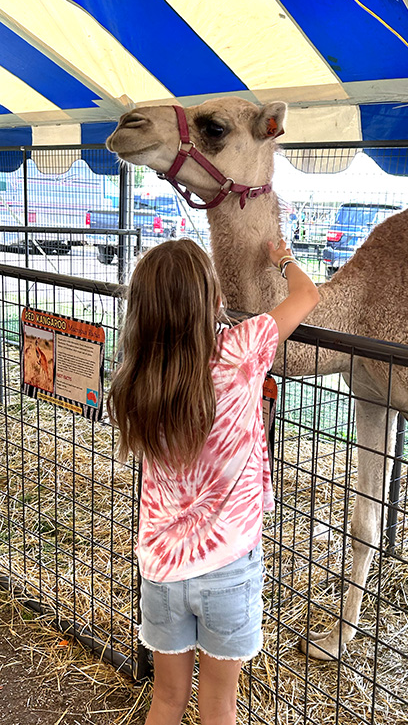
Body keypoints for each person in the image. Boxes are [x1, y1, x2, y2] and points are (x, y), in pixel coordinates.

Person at [107, 238, 319, 725]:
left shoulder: (137, 377)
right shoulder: (241, 351)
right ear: (211, 300)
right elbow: (307, 295)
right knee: (219, 707)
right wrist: (281, 258)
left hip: (161, 567)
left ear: (142, 310)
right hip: (228, 567)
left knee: (165, 698)